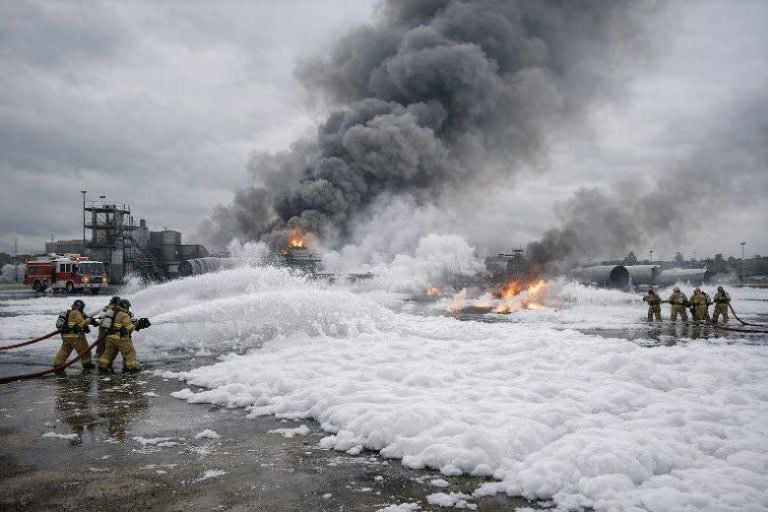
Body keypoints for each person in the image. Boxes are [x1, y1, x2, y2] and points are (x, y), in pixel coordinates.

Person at [98, 299, 150, 374]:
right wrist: (138, 325)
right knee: (130, 352)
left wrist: (136, 322)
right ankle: (130, 368)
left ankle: (102, 367)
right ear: (126, 306)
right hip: (121, 338)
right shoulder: (124, 315)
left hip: (110, 337)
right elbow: (130, 328)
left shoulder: (114, 312)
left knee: (108, 352)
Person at [53, 299, 94, 373]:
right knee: (84, 351)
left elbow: (60, 325)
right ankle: (87, 367)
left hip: (66, 337)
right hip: (76, 337)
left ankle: (58, 367)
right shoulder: (77, 313)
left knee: (64, 351)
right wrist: (90, 321)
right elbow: (82, 324)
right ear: (80, 307)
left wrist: (90, 320)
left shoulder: (66, 313)